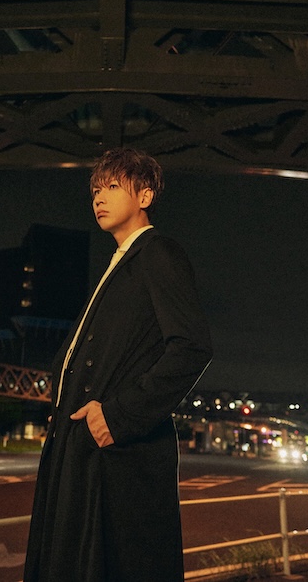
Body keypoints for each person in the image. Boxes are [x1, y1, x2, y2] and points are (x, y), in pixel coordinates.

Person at [24, 148, 213, 581]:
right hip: (80, 448)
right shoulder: (120, 263)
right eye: (95, 189)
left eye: (112, 186)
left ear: (145, 196)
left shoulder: (158, 252)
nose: (98, 197)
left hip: (114, 453)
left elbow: (191, 347)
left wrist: (119, 416)